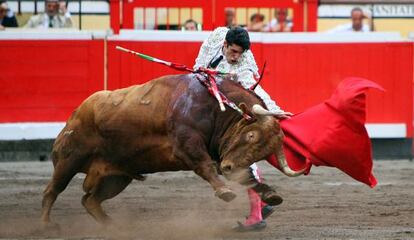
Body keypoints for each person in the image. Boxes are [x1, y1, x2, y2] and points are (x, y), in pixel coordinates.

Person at [194, 26, 292, 231]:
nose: (236, 56)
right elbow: (198, 68)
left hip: (233, 111)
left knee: (241, 157)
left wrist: (274, 110)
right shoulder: (215, 38)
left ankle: (257, 214)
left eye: (240, 53)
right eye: (233, 51)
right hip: (212, 100)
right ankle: (261, 205)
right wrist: (203, 73)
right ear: (225, 44)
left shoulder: (244, 64)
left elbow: (257, 92)